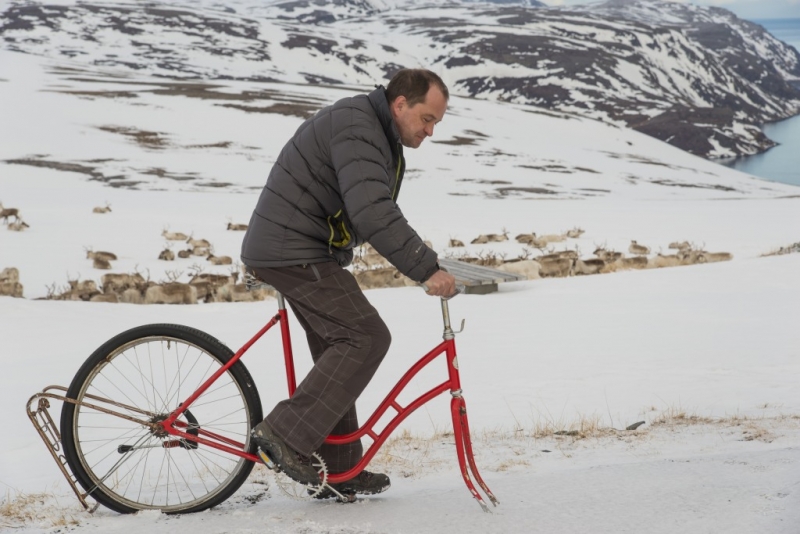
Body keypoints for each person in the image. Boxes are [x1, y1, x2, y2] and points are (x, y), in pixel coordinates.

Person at [241, 68, 457, 500]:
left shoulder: (371, 126)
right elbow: (372, 212)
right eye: (427, 119)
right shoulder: (360, 128)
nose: (431, 131)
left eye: (436, 123)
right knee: (366, 337)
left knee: (338, 345)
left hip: (301, 247)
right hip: (291, 250)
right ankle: (283, 433)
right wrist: (425, 267)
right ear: (400, 105)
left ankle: (336, 470)